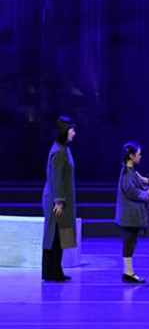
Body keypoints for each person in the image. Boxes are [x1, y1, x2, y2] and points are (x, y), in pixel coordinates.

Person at [115, 142, 149, 284]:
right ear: (131, 156)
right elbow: (132, 192)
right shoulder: (127, 173)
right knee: (129, 242)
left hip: (131, 216)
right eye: (138, 154)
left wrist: (148, 188)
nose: (140, 156)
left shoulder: (130, 172)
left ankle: (129, 272)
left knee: (131, 242)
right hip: (129, 216)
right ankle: (128, 273)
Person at [42, 116, 77, 282]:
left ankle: (56, 269)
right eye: (71, 130)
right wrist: (59, 200)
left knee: (60, 234)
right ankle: (52, 271)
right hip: (56, 199)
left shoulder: (64, 149)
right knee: (55, 235)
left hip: (62, 197)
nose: (74, 133)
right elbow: (56, 177)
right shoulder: (58, 152)